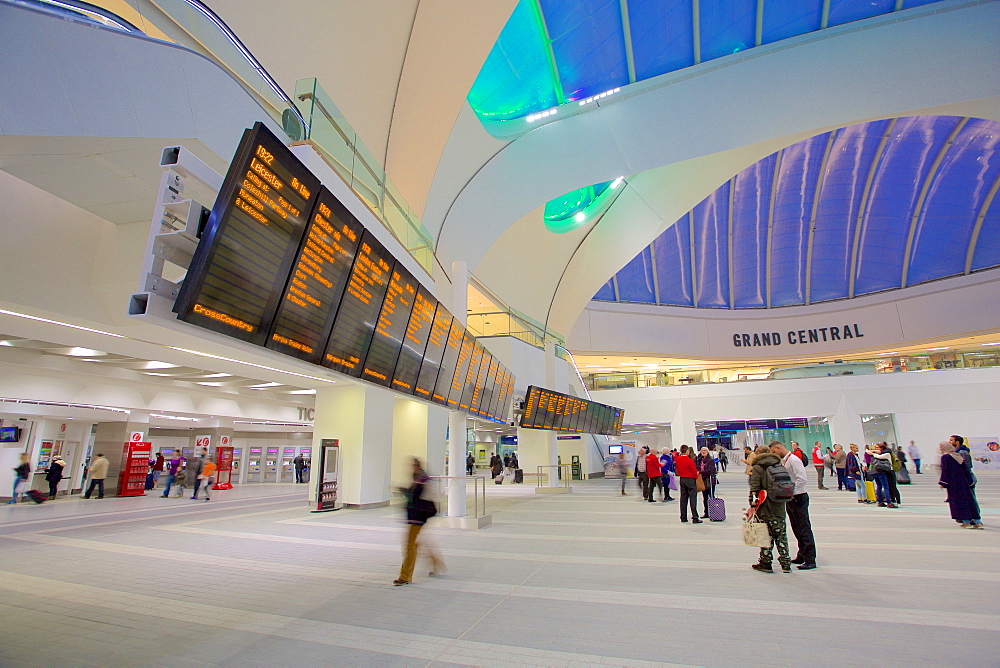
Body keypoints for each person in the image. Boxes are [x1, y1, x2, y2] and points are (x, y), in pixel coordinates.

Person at [394, 457, 445, 585]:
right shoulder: (419, 478)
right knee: (416, 543)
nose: (413, 467)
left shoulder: (422, 479)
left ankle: (405, 576)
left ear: (419, 466)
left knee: (410, 545)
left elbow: (415, 495)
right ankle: (436, 562)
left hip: (418, 517)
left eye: (415, 465)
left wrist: (403, 490)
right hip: (417, 516)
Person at [770, 441, 816, 570]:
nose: (774, 454)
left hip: (798, 497)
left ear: (779, 448)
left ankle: (810, 558)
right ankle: (801, 554)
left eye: (774, 451)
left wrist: (793, 493)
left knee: (803, 528)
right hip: (790, 497)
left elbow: (802, 479)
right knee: (796, 528)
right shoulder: (785, 461)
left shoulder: (794, 460)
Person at [748, 445, 791, 573]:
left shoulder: (757, 468)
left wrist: (752, 506)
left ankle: (765, 562)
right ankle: (786, 563)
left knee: (765, 535)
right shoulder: (779, 465)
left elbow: (755, 489)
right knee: (781, 535)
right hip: (779, 505)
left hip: (765, 507)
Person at [938, 441, 983, 529]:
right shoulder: (957, 456)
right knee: (969, 501)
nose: (940, 448)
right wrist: (970, 482)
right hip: (964, 482)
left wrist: (943, 482)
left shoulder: (945, 457)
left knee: (959, 502)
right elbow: (966, 470)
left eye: (941, 446)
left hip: (954, 483)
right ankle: (978, 522)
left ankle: (966, 522)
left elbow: (945, 471)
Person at [674, 445, 701, 523]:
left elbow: (677, 469)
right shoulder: (689, 460)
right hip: (690, 480)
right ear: (687, 451)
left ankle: (683, 517)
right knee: (693, 499)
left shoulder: (678, 459)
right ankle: (695, 517)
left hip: (682, 479)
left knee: (683, 499)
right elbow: (693, 470)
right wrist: (696, 476)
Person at [867, 443, 896, 508]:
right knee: (885, 487)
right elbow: (869, 452)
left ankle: (880, 502)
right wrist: (874, 452)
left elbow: (870, 453)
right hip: (880, 471)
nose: (877, 449)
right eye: (876, 448)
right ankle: (888, 502)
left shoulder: (879, 454)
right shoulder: (883, 454)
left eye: (878, 448)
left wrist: (873, 452)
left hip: (875, 471)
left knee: (879, 486)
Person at [695, 447, 717, 518]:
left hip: (709, 480)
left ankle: (713, 512)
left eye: (705, 451)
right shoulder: (699, 460)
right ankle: (706, 512)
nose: (703, 452)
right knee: (705, 497)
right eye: (702, 451)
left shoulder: (710, 460)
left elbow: (710, 470)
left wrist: (700, 472)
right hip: (702, 480)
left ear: (707, 452)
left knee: (711, 496)